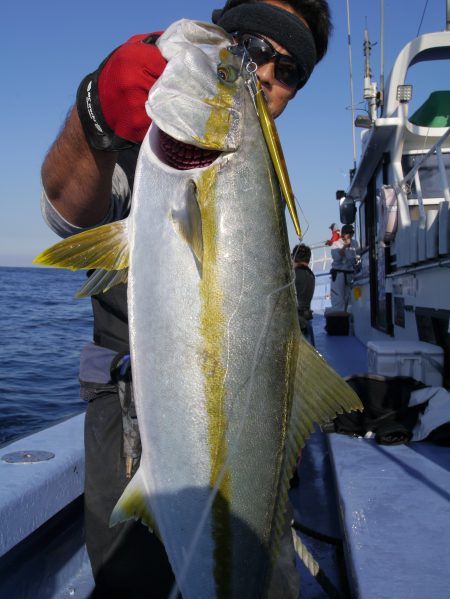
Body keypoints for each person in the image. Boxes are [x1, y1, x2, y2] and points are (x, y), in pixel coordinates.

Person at [40, 1, 333, 596]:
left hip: (251, 443)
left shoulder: (262, 184)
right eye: (248, 49)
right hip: (133, 427)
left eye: (290, 71)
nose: (266, 74)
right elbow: (66, 211)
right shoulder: (137, 152)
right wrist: (93, 113)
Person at [330, 224, 360, 312]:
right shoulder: (336, 243)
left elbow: (357, 256)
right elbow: (337, 257)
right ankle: (339, 320)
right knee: (338, 301)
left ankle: (351, 318)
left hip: (351, 274)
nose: (350, 235)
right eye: (348, 233)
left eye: (351, 233)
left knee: (351, 299)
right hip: (339, 275)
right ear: (343, 234)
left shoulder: (355, 243)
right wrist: (345, 246)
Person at [292, 244, 315, 336]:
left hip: (297, 319)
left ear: (294, 257)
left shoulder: (296, 274)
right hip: (305, 317)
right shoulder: (310, 274)